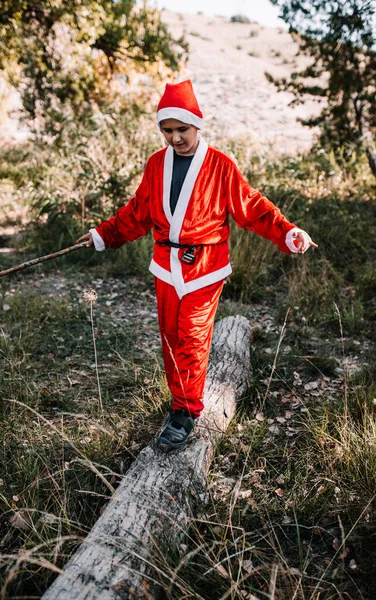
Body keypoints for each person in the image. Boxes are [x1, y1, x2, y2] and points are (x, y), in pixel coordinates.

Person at [76, 79, 317, 450]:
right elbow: (138, 212)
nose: (174, 138)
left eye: (181, 130)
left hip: (205, 265)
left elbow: (250, 207)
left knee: (192, 335)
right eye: (167, 130)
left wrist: (288, 232)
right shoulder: (156, 164)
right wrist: (102, 234)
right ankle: (180, 397)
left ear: (197, 125)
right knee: (171, 337)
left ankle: (185, 412)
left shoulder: (220, 165)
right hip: (166, 263)